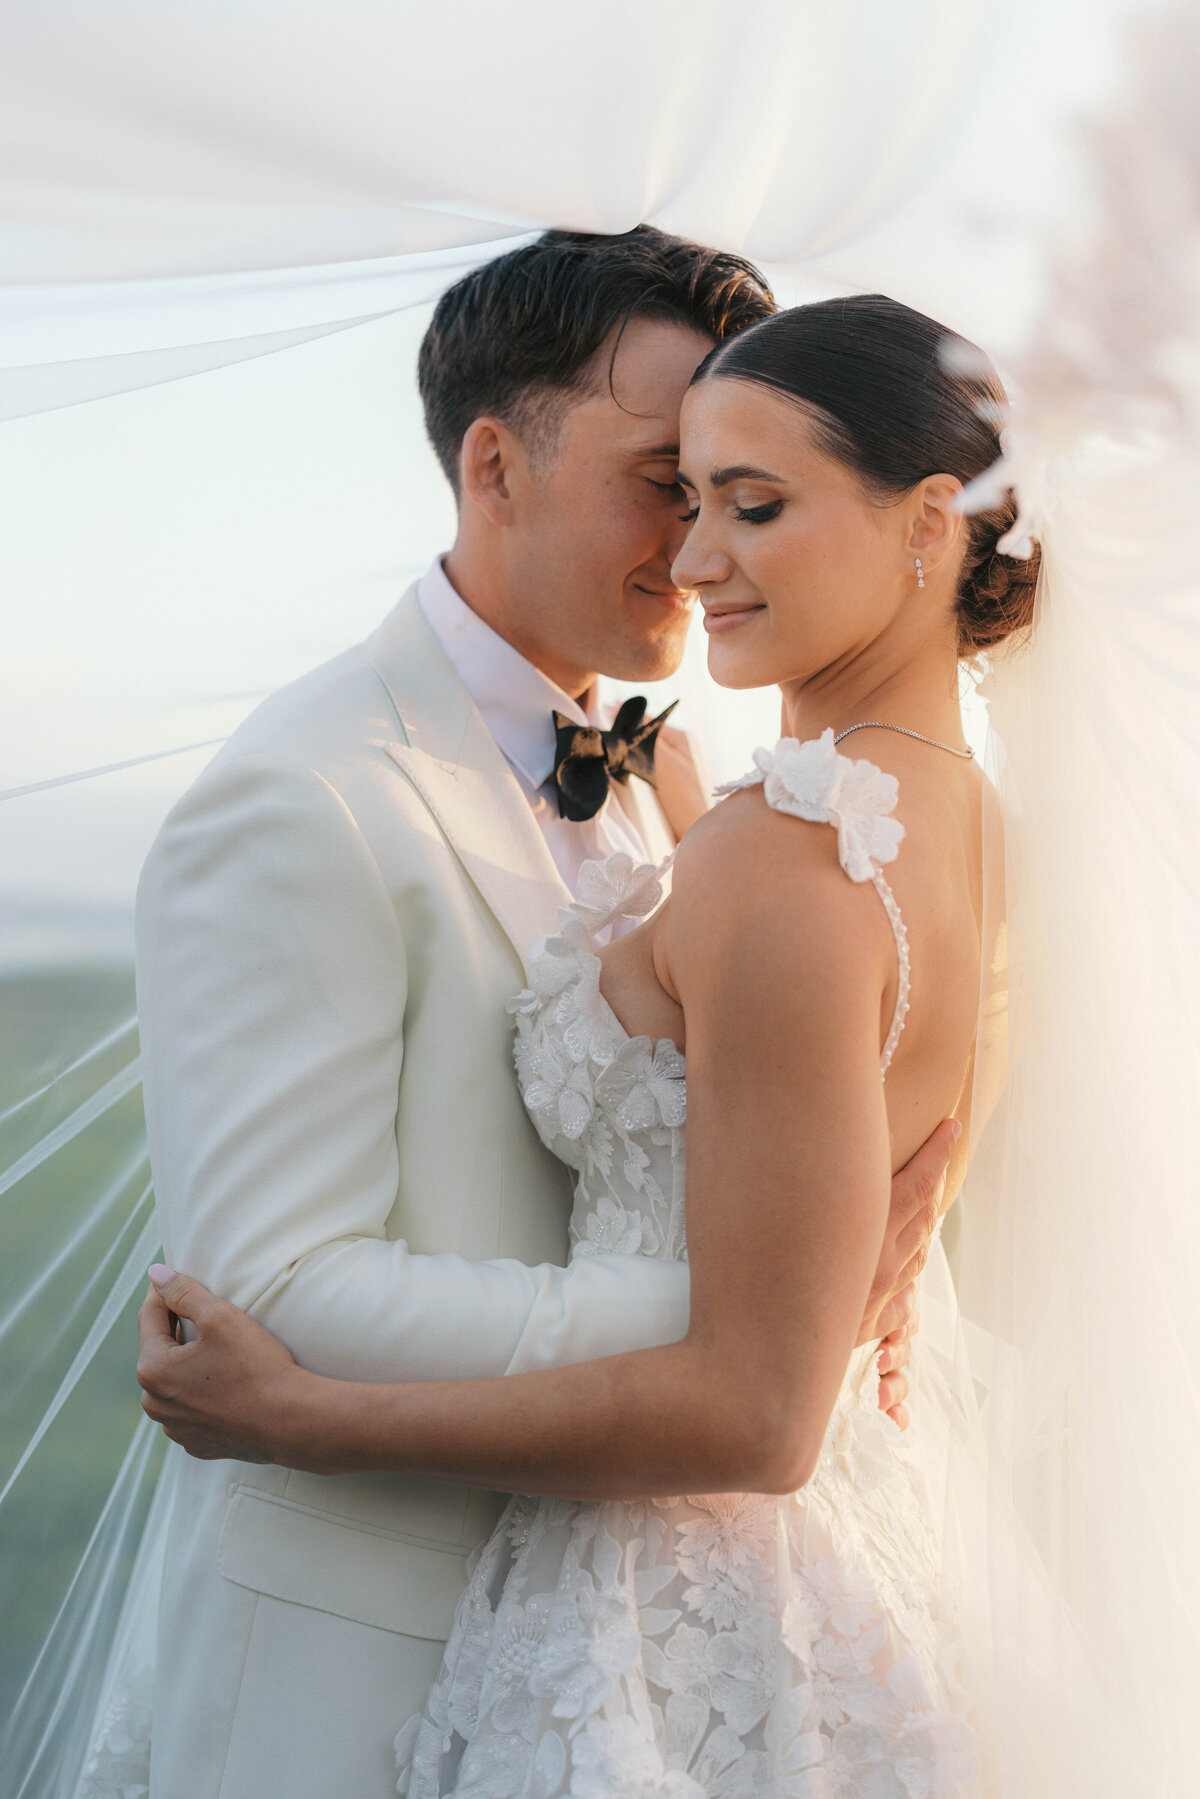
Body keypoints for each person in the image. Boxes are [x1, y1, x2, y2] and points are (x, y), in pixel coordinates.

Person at [138, 291, 1028, 1797]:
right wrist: (775, 1308)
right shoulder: (308, 793)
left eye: (739, 496)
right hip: (403, 1640)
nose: (690, 548)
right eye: (668, 482)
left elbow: (781, 1321)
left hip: (680, 1616)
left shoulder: (745, 809)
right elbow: (275, 1288)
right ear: (496, 466)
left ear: (923, 520)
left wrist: (792, 1326)